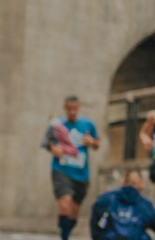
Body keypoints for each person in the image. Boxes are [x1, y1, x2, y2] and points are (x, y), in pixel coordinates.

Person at [42, 96, 100, 240]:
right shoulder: (56, 125)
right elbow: (46, 142)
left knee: (74, 211)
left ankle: (65, 231)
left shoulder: (88, 124)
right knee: (64, 205)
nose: (72, 112)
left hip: (81, 173)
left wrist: (92, 142)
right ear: (64, 108)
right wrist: (53, 148)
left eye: (75, 109)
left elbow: (97, 144)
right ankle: (65, 237)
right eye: (69, 109)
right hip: (61, 169)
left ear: (79, 108)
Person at [90, 170, 155, 240]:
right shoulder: (146, 205)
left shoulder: (105, 199)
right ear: (141, 185)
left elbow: (95, 226)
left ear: (123, 181)